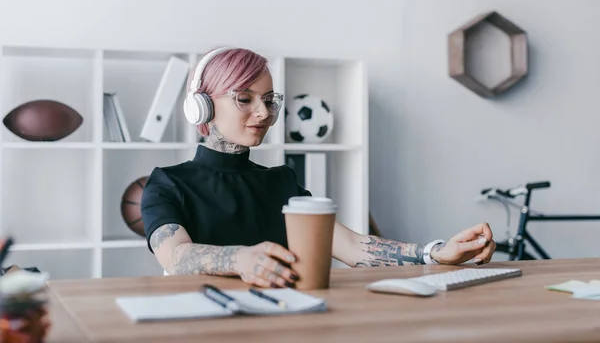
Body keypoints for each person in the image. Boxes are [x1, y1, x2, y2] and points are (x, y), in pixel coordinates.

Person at [141, 47, 497, 288]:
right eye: (245, 99)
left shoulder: (281, 182)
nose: (264, 113)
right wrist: (240, 259)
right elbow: (176, 256)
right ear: (201, 107)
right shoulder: (167, 184)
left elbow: (353, 247)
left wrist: (435, 253)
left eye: (268, 100)